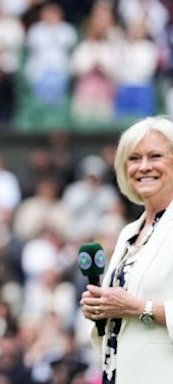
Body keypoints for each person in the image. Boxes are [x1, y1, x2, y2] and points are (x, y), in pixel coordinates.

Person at [80, 116, 173, 383]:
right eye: (134, 158)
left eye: (155, 156)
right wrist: (101, 309)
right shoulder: (128, 232)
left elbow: (133, 307)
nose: (143, 167)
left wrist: (139, 308)